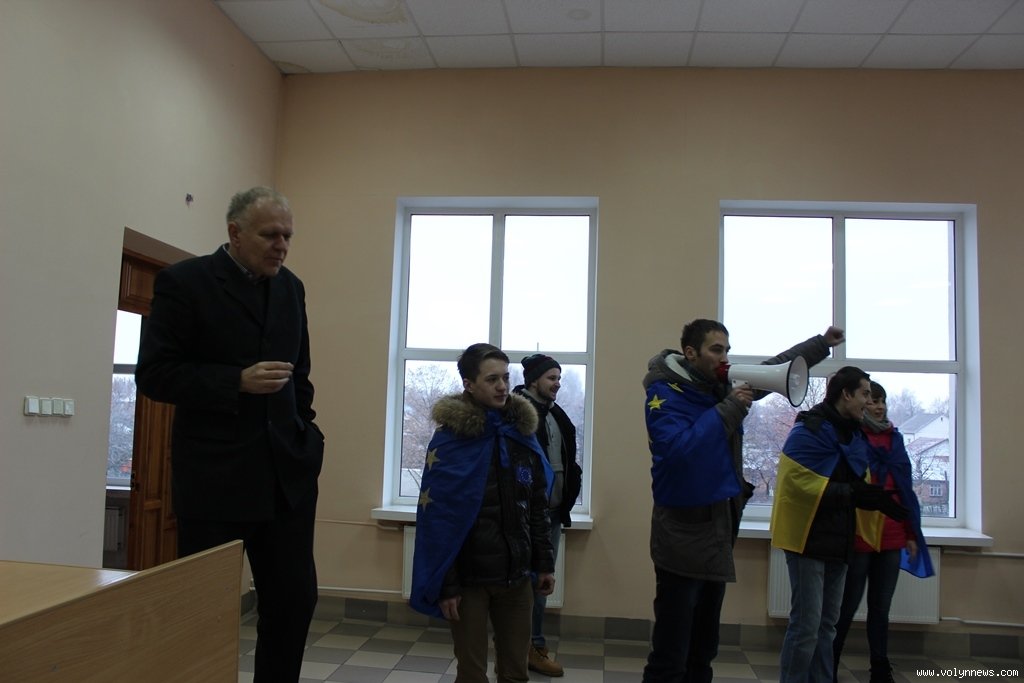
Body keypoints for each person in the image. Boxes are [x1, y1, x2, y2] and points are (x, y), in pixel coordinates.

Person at [135, 186, 325, 683]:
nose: (281, 246)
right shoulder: (185, 282)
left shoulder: (292, 288)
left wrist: (306, 432)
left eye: (288, 236)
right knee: (204, 612)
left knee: (294, 602)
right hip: (215, 481)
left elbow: (300, 375)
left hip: (286, 478)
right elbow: (154, 375)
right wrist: (234, 381)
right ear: (235, 233)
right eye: (270, 235)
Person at [641, 319, 846, 683]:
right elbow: (678, 452)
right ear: (691, 353)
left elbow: (773, 369)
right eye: (716, 350)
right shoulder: (665, 395)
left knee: (703, 648)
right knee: (671, 653)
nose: (725, 358)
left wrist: (821, 344)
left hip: (716, 530)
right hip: (681, 536)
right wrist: (730, 409)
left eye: (727, 350)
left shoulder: (718, 385)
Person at [410, 343, 555, 683]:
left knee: (515, 673)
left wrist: (544, 563)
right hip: (469, 582)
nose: (503, 386)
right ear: (469, 384)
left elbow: (536, 505)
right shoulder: (451, 441)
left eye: (505, 378)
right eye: (492, 379)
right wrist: (447, 585)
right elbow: (438, 520)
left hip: (516, 577)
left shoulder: (520, 434)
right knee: (472, 674)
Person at [772, 367, 909, 683]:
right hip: (807, 538)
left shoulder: (854, 433)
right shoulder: (809, 429)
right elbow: (796, 484)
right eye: (864, 394)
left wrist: (872, 498)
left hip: (840, 538)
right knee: (806, 626)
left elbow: (854, 480)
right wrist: (854, 493)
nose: (868, 402)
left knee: (827, 626)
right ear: (846, 394)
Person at [832, 381, 934, 683]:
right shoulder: (853, 436)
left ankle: (880, 668)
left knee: (880, 608)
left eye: (882, 401)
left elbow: (905, 490)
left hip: (891, 534)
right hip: (861, 533)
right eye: (873, 401)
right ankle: (828, 665)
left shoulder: (895, 439)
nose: (879, 407)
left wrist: (911, 534)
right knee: (846, 606)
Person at [512, 354, 583, 677]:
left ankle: (531, 646)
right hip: (524, 515)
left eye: (559, 378)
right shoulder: (518, 414)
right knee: (526, 586)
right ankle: (524, 649)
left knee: (540, 583)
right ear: (533, 380)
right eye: (551, 378)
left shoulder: (555, 414)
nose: (557, 384)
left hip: (551, 514)